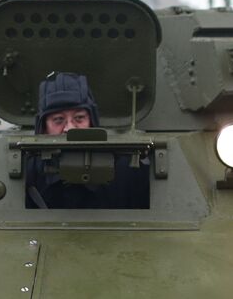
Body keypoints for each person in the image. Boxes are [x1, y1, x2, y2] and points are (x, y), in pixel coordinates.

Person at [26, 71, 147, 209]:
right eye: (58, 120)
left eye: (79, 118)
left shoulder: (127, 170)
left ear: (91, 121)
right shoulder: (28, 172)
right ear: (43, 127)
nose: (70, 128)